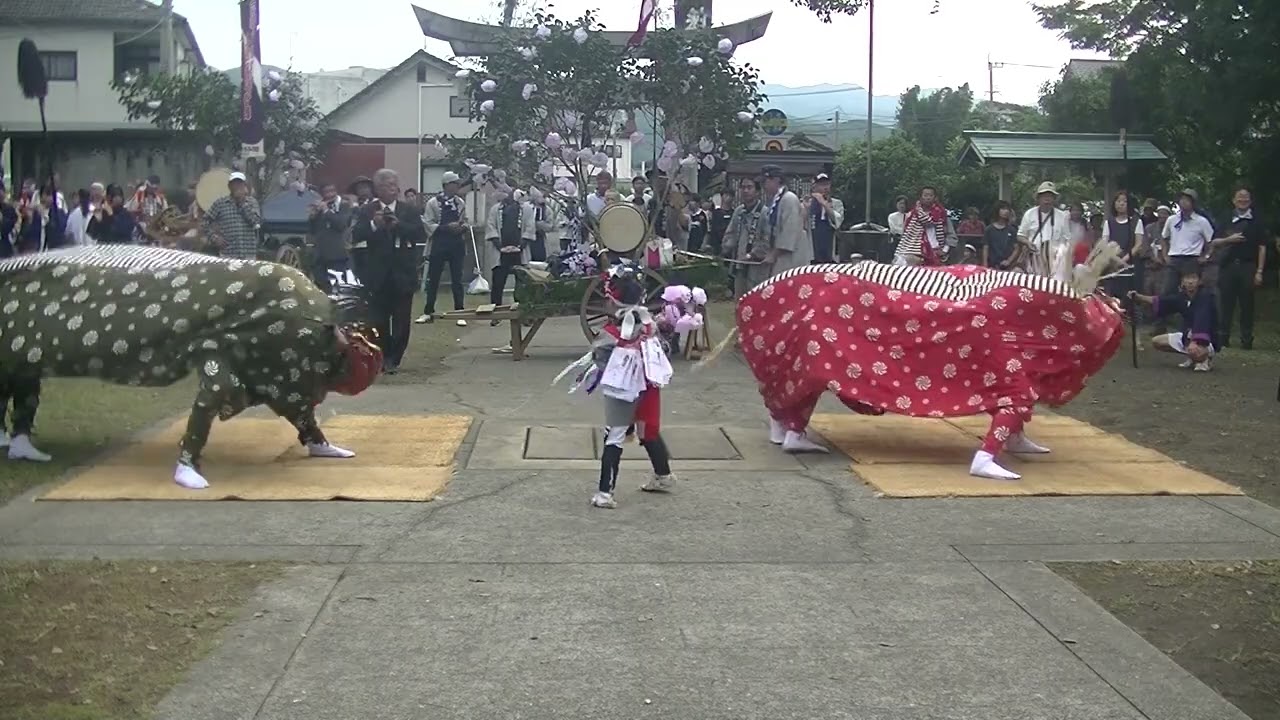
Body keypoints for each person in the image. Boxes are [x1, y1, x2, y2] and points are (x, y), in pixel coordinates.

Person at [711, 242, 1128, 480]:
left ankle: (785, 425)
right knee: (820, 357)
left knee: (819, 356)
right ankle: (787, 425)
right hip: (907, 295)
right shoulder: (1019, 301)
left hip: (956, 294)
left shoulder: (1026, 298)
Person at [0, 245, 381, 487]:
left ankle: (314, 441)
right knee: (22, 357)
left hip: (230, 328)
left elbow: (282, 382)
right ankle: (186, 461)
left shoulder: (296, 323)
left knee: (22, 359)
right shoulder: (291, 311)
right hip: (202, 327)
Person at [553, 264, 676, 509]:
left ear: (614, 302)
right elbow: (665, 351)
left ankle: (604, 493)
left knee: (615, 436)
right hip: (649, 386)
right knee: (646, 429)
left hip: (622, 390)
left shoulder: (610, 333)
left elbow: (600, 359)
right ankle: (663, 475)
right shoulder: (649, 327)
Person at [351, 169, 427, 374]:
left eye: (395, 184)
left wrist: (398, 225)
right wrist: (374, 225)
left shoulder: (408, 210)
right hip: (377, 274)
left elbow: (420, 233)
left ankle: (395, 357)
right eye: (387, 185)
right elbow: (356, 234)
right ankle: (383, 356)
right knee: (379, 319)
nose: (392, 188)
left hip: (403, 272)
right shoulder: (367, 210)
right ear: (378, 189)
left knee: (402, 319)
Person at [1211, 187, 1267, 350]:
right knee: (1225, 303)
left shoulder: (1257, 220)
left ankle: (1246, 339)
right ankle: (1223, 337)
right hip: (1227, 266)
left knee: (1247, 304)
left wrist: (1259, 271)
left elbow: (1262, 246)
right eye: (1239, 198)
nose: (1243, 200)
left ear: (1250, 201)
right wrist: (1229, 239)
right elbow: (1214, 242)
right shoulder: (1225, 218)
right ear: (1233, 200)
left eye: (1246, 198)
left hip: (1248, 266)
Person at [1129, 270, 1218, 372]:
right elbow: (1163, 301)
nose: (1190, 282)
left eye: (1193, 278)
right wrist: (1138, 297)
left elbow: (1202, 320)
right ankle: (1193, 357)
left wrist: (1196, 341)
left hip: (1206, 339)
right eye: (1187, 278)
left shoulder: (1205, 297)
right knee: (1157, 341)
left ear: (1199, 281)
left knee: (1196, 346)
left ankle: (1204, 360)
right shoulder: (1182, 297)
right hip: (1187, 336)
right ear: (1182, 281)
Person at [418, 171, 470, 327]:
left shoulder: (460, 202)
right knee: (433, 279)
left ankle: (460, 311)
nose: (456, 186)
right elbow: (428, 223)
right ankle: (428, 311)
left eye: (457, 184)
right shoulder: (433, 203)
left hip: (456, 244)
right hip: (439, 243)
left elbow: (465, 221)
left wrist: (462, 227)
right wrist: (447, 227)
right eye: (454, 183)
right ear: (446, 185)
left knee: (457, 279)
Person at [485, 189, 535, 323]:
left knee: (523, 284)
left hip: (520, 252)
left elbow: (530, 227)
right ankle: (496, 315)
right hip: (501, 253)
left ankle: (524, 314)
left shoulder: (527, 209)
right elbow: (491, 226)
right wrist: (498, 244)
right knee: (497, 284)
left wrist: (521, 245)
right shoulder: (496, 209)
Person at [759, 165, 811, 275]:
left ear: (776, 180)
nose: (763, 186)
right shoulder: (776, 200)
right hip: (781, 255)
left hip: (791, 256)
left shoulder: (789, 199)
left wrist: (773, 254)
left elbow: (789, 232)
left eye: (765, 181)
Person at [1015, 181, 1070, 280]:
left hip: (1055, 262)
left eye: (1050, 196)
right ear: (1038, 198)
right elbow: (1020, 235)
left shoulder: (1063, 216)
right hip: (1034, 259)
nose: (1047, 199)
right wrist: (1027, 243)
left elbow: (1067, 239)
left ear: (1054, 199)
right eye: (1044, 195)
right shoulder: (1029, 214)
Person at [723, 177, 768, 296]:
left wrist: (751, 255)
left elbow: (767, 240)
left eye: (749, 187)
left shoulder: (764, 212)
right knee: (740, 302)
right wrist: (726, 248)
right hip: (739, 264)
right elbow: (730, 234)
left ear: (757, 191)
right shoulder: (739, 211)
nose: (746, 191)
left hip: (757, 266)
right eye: (743, 187)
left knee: (755, 301)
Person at [201, 172, 261, 260]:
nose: (237, 187)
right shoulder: (220, 203)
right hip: (228, 254)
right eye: (234, 184)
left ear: (244, 186)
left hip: (248, 254)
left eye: (240, 184)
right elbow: (204, 222)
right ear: (229, 186)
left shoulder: (252, 202)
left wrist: (241, 203)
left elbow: (255, 222)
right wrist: (214, 238)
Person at [307, 183, 353, 293]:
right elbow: (312, 231)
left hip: (337, 254)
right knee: (321, 288)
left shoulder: (344, 205)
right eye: (327, 192)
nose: (330, 194)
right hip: (320, 254)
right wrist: (312, 217)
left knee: (337, 289)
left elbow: (341, 225)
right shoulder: (319, 206)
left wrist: (327, 211)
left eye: (332, 191)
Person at [1099, 190, 1144, 303]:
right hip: (1112, 264)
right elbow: (1104, 243)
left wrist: (1125, 259)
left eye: (1124, 201)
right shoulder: (1108, 222)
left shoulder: (1136, 221)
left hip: (1131, 264)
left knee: (1131, 296)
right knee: (1112, 295)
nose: (1121, 204)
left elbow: (1138, 244)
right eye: (1118, 201)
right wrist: (1114, 259)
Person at [896, 186, 950, 266]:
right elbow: (905, 233)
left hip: (935, 250)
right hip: (913, 251)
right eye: (925, 195)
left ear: (935, 197)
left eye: (930, 195)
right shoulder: (912, 214)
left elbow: (949, 234)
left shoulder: (941, 214)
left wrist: (945, 250)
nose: (928, 198)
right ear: (920, 197)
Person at [808, 173, 844, 263]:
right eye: (821, 185)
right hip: (812, 246)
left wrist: (824, 204)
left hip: (829, 244)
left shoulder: (836, 203)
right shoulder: (808, 203)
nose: (825, 187)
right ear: (814, 187)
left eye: (827, 184)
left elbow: (838, 221)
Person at [347, 176, 375, 280]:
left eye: (365, 187)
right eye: (359, 188)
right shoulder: (353, 205)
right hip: (355, 245)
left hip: (371, 245)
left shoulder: (376, 203)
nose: (362, 190)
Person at [984, 201, 1018, 269]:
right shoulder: (989, 229)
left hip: (1008, 267)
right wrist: (985, 266)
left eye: (1007, 209)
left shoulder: (1012, 230)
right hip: (992, 266)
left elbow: (1017, 248)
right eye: (1003, 209)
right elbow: (985, 248)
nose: (1006, 211)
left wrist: (1009, 261)